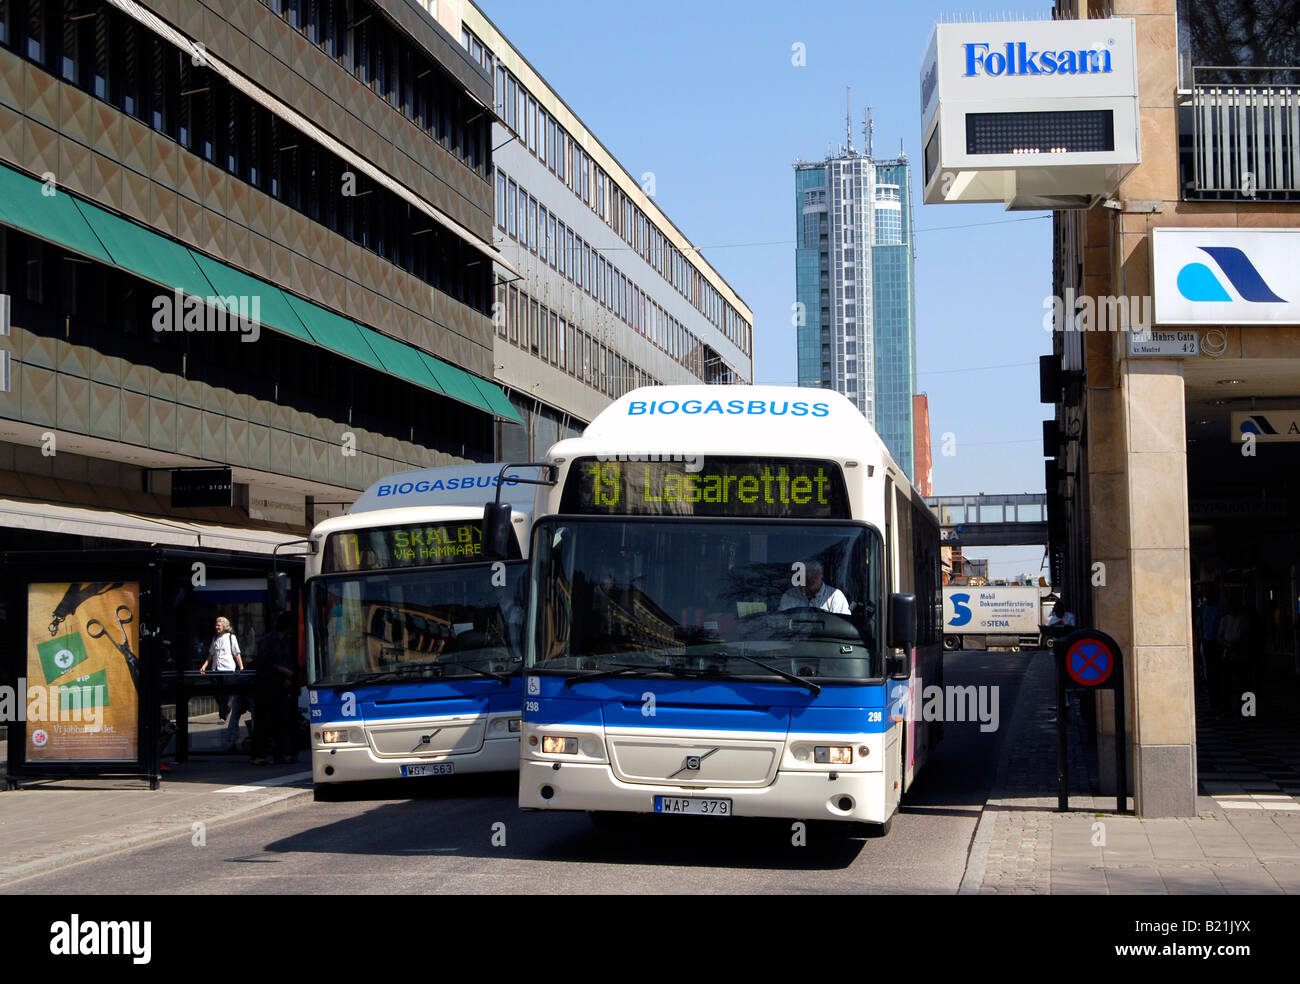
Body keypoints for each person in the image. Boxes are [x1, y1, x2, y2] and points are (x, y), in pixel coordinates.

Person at [252, 612, 298, 765]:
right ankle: (260, 754)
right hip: (268, 686)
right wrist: (284, 672)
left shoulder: (286, 642)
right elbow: (264, 663)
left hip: (282, 686)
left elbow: (289, 661)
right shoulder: (269, 641)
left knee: (282, 720)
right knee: (264, 721)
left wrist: (288, 678)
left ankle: (282, 753)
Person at [198, 616, 243, 723]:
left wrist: (241, 666)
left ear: (224, 626)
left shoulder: (231, 637)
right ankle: (226, 709)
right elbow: (211, 654)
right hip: (216, 669)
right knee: (216, 691)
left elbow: (236, 653)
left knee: (226, 693)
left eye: (218, 625)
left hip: (227, 668)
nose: (216, 627)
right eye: (216, 625)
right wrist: (204, 666)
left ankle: (222, 716)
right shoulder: (215, 638)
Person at [779, 559, 850, 614]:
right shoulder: (789, 596)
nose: (810, 577)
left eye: (814, 572)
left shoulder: (835, 596)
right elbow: (781, 623)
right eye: (806, 572)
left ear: (821, 574)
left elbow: (844, 627)